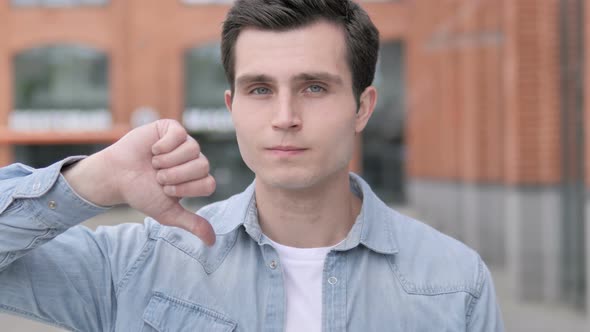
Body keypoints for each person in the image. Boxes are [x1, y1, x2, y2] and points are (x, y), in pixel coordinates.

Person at [0, 0, 504, 331]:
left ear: (363, 107)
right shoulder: (142, 263)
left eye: (314, 87)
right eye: (260, 89)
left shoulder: (455, 282)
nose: (285, 118)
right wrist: (92, 180)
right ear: (231, 105)